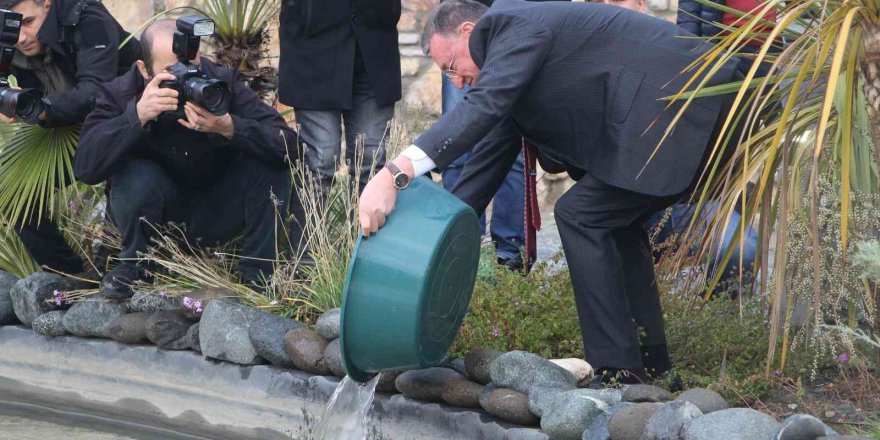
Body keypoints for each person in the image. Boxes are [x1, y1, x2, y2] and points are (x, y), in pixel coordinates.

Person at [358, 0, 742, 383]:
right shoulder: (510, 75)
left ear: (469, 32)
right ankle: (652, 367)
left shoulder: (511, 24)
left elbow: (483, 108)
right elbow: (481, 170)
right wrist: (432, 238)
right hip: (671, 113)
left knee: (581, 215)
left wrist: (394, 173)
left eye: (452, 67)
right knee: (612, 224)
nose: (455, 82)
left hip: (689, 102)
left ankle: (618, 370)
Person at [74, 19, 298, 298]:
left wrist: (230, 128)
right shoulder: (122, 92)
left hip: (215, 209)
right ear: (144, 69)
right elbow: (85, 168)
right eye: (172, 71)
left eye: (191, 67)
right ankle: (137, 268)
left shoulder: (220, 81)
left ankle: (257, 279)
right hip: (159, 217)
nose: (185, 78)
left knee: (269, 163)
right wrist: (137, 116)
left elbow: (289, 146)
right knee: (135, 174)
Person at [598, 0, 760, 285]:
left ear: (640, 4)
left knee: (741, 250)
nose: (610, 5)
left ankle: (716, 316)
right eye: (600, 1)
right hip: (612, 205)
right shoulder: (586, 63)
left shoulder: (674, 57)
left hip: (680, 204)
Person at [0, 0, 141, 276]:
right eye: (13, 27)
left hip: (123, 121)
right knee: (9, 189)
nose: (21, 37)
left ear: (48, 4)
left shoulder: (88, 19)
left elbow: (95, 92)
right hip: (58, 123)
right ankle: (67, 277)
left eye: (28, 22)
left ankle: (110, 271)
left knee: (124, 190)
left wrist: (43, 109)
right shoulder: (8, 30)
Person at [278, 0, 401, 200]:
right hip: (313, 46)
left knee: (371, 162)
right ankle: (312, 232)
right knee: (320, 163)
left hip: (375, 45)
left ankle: (364, 231)